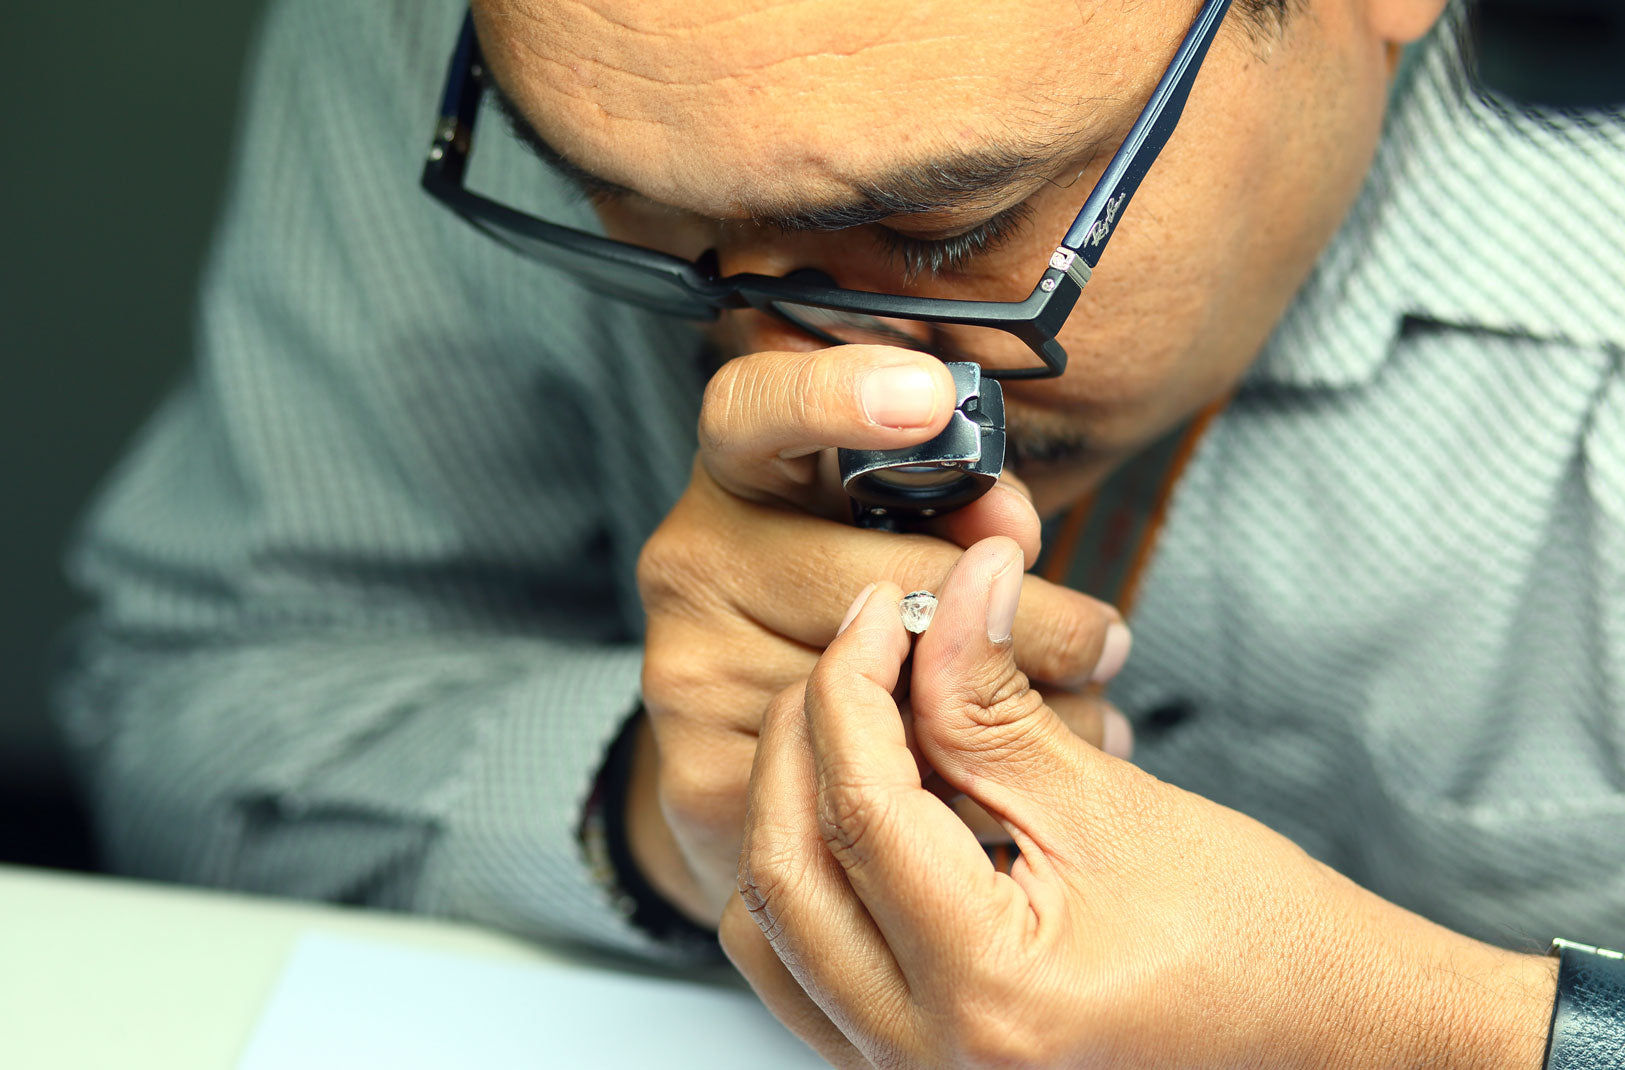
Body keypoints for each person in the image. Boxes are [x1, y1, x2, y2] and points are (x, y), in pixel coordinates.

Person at [55, 0, 1624, 1061]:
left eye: (950, 230)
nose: (814, 377)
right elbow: (186, 710)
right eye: (629, 214)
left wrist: (1448, 1031)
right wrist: (664, 806)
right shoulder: (482, 44)